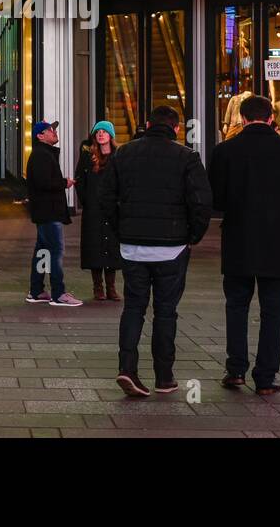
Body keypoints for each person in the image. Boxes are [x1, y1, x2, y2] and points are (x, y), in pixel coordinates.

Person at [99, 105, 212, 397]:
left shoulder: (123, 154)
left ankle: (127, 369)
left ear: (147, 124)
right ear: (176, 128)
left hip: (133, 247)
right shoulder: (187, 157)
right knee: (165, 312)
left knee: (133, 307)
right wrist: (193, 237)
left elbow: (105, 197)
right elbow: (201, 201)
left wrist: (119, 230)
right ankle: (164, 377)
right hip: (172, 249)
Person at [208, 95, 280, 396]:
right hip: (279, 242)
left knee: (237, 306)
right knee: (273, 311)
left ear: (242, 119)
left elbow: (215, 199)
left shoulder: (225, 151)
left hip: (239, 240)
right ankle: (265, 377)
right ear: (271, 119)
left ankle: (236, 369)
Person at [25, 120, 83, 307]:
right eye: (50, 130)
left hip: (44, 212)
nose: (54, 132)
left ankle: (37, 290)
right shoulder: (42, 155)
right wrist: (63, 182)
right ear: (40, 136)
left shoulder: (42, 154)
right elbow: (44, 183)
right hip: (49, 212)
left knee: (43, 251)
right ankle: (58, 294)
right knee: (56, 251)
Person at [75, 120, 122, 301]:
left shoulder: (118, 156)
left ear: (111, 135)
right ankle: (98, 287)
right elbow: (80, 180)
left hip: (112, 210)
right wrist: (87, 201)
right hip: (93, 210)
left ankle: (111, 287)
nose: (101, 134)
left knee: (111, 246)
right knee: (94, 246)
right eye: (98, 132)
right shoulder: (88, 156)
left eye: (104, 131)